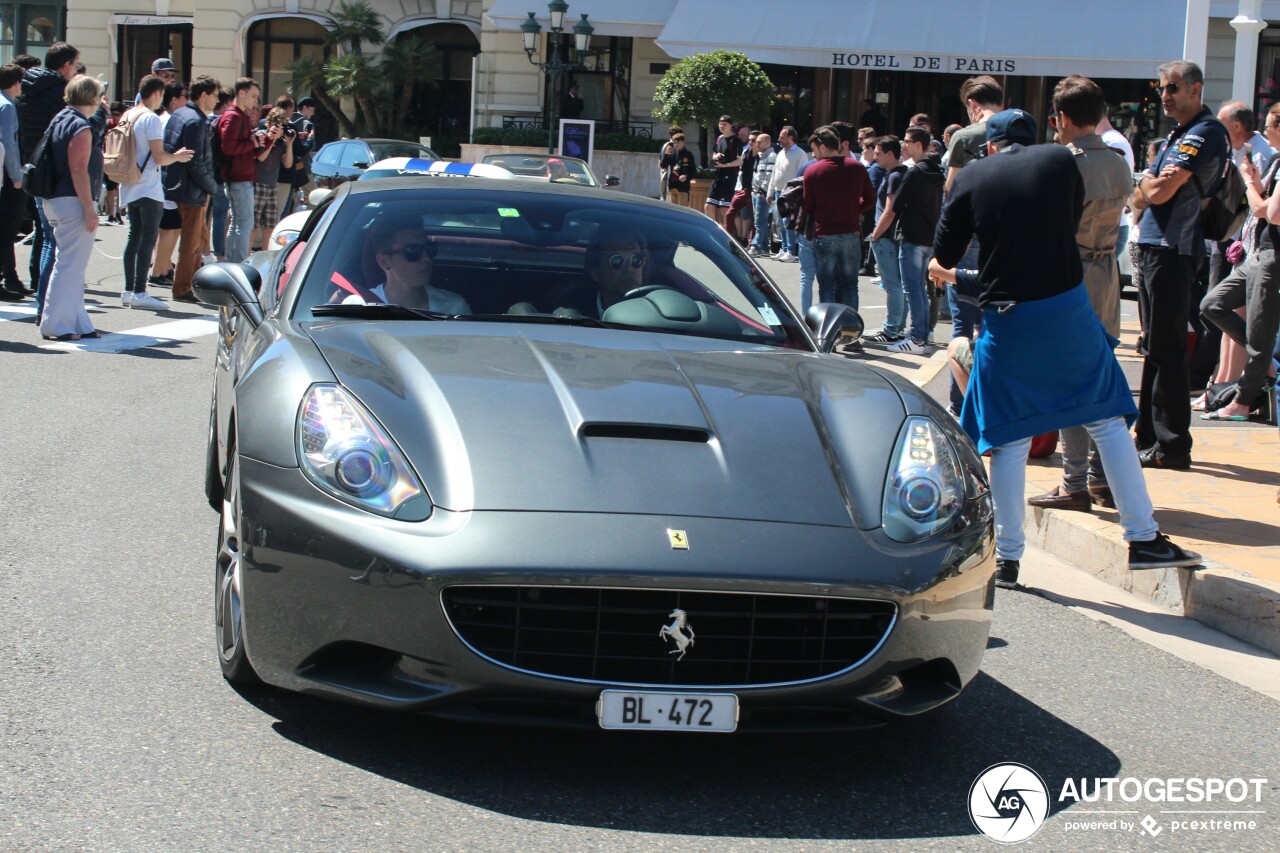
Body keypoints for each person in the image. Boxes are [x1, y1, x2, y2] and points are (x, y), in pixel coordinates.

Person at [933, 108, 1202, 588]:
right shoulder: (1059, 160)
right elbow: (1070, 212)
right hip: (1066, 310)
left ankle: (1008, 559)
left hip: (1007, 320)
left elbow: (945, 254)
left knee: (1009, 439)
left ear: (990, 145)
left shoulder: (972, 174)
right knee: (1107, 421)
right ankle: (1143, 538)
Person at [1027, 76, 1135, 512]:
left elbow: (1047, 228)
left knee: (1073, 383)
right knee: (1097, 373)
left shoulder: (1064, 163)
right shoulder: (1118, 162)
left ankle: (1077, 480)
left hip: (1069, 274)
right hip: (1105, 272)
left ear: (1064, 117)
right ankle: (1100, 476)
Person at [1129, 60, 1229, 469]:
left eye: (1173, 88)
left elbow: (1162, 189)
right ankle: (1149, 435)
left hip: (1175, 251)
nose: (1165, 96)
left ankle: (1172, 447)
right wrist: (1146, 190)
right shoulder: (1178, 133)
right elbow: (1142, 192)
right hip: (1156, 248)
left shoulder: (1205, 132)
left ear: (1195, 89)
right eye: (1162, 89)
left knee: (1169, 351)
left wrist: (1147, 190)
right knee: (1154, 348)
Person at [1198, 100, 1280, 422]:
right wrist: (1255, 179)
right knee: (1212, 304)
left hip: (1271, 256)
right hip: (1256, 252)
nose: (1264, 129)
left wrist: (1248, 184)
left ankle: (1243, 402)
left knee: (1259, 336)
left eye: (1270, 124)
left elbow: (1269, 213)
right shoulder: (1275, 162)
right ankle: (1266, 365)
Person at [37, 75, 106, 340]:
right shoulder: (81, 126)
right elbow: (78, 169)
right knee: (69, 266)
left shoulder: (60, 118)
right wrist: (89, 209)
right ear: (92, 97)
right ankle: (56, 325)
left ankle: (79, 322)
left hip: (53, 198)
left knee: (71, 264)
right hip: (71, 200)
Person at [119, 75, 193, 310]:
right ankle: (140, 291)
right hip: (148, 185)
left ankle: (129, 289)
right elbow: (160, 156)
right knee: (147, 238)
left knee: (134, 237)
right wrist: (178, 157)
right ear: (156, 93)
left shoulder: (128, 114)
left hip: (129, 181)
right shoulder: (150, 119)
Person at [18, 42, 80, 319]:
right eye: (75, 65)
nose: (76, 71)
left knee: (45, 237)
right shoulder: (59, 93)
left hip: (32, 167)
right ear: (65, 66)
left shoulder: (27, 88)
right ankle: (47, 304)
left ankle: (42, 297)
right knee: (55, 243)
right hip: (55, 172)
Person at [801, 125, 874, 310]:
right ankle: (850, 331)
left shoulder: (813, 171)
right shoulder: (857, 167)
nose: (813, 154)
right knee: (850, 285)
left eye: (815, 149)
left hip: (825, 233)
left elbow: (808, 206)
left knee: (826, 285)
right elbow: (871, 199)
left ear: (823, 147)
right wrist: (855, 210)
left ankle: (828, 330)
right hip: (851, 232)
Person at [886, 125, 944, 355]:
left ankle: (917, 337)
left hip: (912, 236)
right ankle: (923, 335)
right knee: (920, 288)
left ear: (918, 144)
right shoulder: (937, 171)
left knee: (913, 287)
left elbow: (897, 205)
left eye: (908, 141)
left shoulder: (914, 171)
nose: (904, 144)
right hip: (929, 236)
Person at [164, 74, 219, 304]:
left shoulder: (179, 114)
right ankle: (183, 287)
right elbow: (198, 161)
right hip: (192, 188)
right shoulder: (197, 121)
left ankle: (189, 284)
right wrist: (211, 186)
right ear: (204, 95)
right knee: (192, 241)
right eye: (214, 96)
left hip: (177, 184)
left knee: (197, 237)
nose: (216, 100)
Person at [346, 216, 469, 313]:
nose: (426, 258)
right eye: (413, 251)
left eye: (429, 248)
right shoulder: (358, 307)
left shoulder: (454, 308)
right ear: (384, 261)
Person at [865, 135, 908, 343]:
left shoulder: (894, 176)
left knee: (892, 285)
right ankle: (897, 328)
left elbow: (889, 211)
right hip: (894, 236)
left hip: (887, 237)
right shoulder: (900, 173)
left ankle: (891, 329)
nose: (875, 156)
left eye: (878, 153)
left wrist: (875, 234)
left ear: (890, 154)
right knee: (898, 285)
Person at [148, 80, 189, 289]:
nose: (187, 101)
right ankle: (158, 272)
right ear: (174, 100)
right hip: (164, 183)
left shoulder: (166, 119)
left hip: (164, 183)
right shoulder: (167, 120)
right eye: (184, 97)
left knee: (171, 228)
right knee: (169, 228)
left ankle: (163, 269)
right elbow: (163, 154)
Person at [218, 77, 261, 263]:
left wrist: (252, 141)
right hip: (238, 177)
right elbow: (228, 147)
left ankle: (234, 263)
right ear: (241, 93)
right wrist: (250, 143)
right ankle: (239, 264)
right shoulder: (234, 116)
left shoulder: (236, 116)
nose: (255, 101)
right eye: (253, 96)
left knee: (238, 223)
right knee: (244, 223)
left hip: (237, 176)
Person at [251, 106, 294, 252]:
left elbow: (288, 164)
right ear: (270, 122)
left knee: (269, 225)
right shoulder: (262, 135)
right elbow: (261, 157)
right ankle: (246, 255)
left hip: (271, 185)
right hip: (257, 184)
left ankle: (265, 255)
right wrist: (271, 140)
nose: (280, 128)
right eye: (277, 123)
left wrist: (289, 144)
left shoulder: (281, 142)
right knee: (253, 225)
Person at [0, 63, 26, 301]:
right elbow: (9, 144)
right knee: (7, 228)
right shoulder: (7, 106)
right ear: (15, 83)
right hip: (6, 175)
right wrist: (17, 176)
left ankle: (9, 277)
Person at [768, 126, 805, 262]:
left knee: (787, 221)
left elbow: (801, 175)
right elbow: (774, 173)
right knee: (779, 222)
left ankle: (790, 250)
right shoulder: (781, 153)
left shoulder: (800, 154)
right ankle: (783, 248)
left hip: (790, 193)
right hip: (778, 191)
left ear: (791, 138)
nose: (779, 140)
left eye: (782, 137)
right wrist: (770, 191)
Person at [208, 87, 232, 261]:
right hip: (219, 175)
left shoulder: (205, 120)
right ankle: (219, 254)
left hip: (204, 175)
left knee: (205, 217)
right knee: (219, 216)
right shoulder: (223, 122)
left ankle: (204, 252)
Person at [723, 128, 759, 245]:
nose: (750, 142)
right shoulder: (745, 152)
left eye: (753, 140)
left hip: (753, 190)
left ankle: (747, 240)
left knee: (751, 217)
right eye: (749, 140)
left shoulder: (761, 156)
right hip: (741, 188)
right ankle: (732, 238)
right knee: (731, 213)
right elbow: (741, 170)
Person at [705, 116, 740, 224]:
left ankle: (727, 234)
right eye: (720, 123)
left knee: (725, 208)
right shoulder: (719, 138)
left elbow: (740, 160)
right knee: (708, 206)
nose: (721, 126)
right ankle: (713, 230)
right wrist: (716, 157)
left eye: (724, 124)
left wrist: (726, 165)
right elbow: (714, 154)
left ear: (730, 125)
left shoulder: (735, 140)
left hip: (730, 178)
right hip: (718, 177)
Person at [748, 132, 778, 257]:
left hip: (762, 194)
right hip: (756, 192)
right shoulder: (761, 156)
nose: (757, 144)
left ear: (768, 142)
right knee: (760, 221)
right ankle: (765, 246)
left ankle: (756, 245)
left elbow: (769, 176)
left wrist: (762, 191)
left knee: (759, 221)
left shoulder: (771, 156)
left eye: (759, 142)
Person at [660, 132, 696, 204]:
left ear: (683, 142)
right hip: (673, 186)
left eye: (678, 142)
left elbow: (693, 171)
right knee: (674, 211)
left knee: (682, 210)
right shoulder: (672, 155)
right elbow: (663, 166)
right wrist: (666, 154)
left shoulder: (688, 155)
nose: (676, 144)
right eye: (674, 142)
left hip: (683, 187)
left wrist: (686, 176)